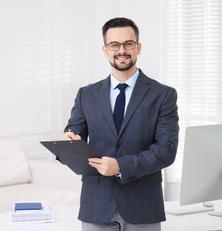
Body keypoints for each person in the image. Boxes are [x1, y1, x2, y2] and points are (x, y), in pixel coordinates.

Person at [61, 17, 179, 231]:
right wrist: (68, 144)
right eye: (114, 45)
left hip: (142, 205)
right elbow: (74, 134)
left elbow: (167, 150)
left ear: (138, 47)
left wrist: (121, 166)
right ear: (105, 50)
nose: (121, 50)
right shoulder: (86, 95)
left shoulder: (163, 95)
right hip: (96, 204)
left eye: (128, 44)